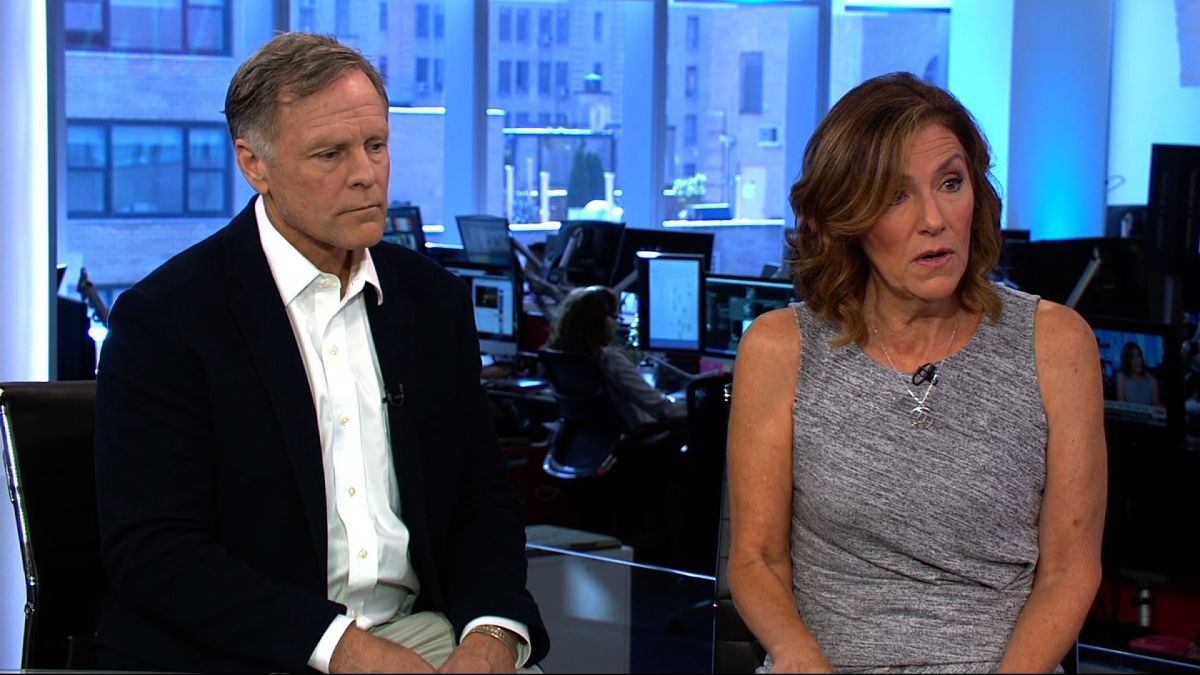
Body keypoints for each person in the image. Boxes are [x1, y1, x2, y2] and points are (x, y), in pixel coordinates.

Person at [94, 32, 547, 673]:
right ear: (254, 164)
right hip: (246, 652)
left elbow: (482, 498)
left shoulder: (432, 301)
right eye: (330, 153)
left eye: (376, 145)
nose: (365, 173)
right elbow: (155, 550)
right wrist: (344, 649)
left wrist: (491, 635)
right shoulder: (167, 320)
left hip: (412, 633)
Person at [726, 72, 1106, 673]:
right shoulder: (780, 348)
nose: (935, 219)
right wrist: (801, 660)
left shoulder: (1057, 344)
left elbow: (1070, 570)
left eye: (951, 183)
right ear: (848, 215)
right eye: (896, 196)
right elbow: (756, 560)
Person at [545, 285, 687, 427]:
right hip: (643, 434)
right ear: (604, 321)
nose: (616, 325)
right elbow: (663, 409)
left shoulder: (562, 357)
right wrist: (696, 403)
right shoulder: (609, 360)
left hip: (591, 436)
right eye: (615, 317)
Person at [1115, 341, 1162, 406]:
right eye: (1132, 358)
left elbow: (1156, 407)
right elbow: (1121, 405)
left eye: (1139, 356)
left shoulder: (1152, 380)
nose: (1137, 361)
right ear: (1127, 361)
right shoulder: (1121, 377)